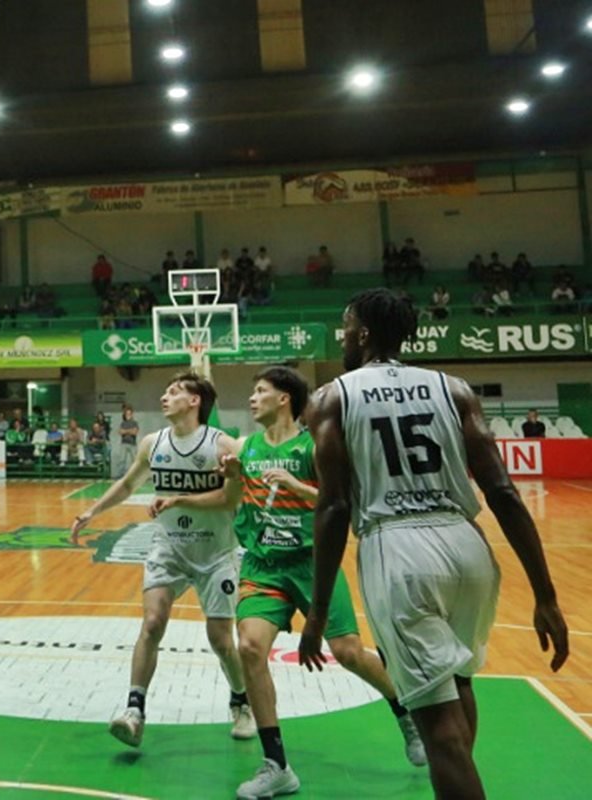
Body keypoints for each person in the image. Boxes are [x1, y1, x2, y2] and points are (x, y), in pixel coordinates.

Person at [299, 289, 568, 799]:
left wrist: (316, 612)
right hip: (468, 547)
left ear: (363, 334)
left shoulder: (332, 397)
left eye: (345, 326)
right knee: (459, 683)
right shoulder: (455, 389)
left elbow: (333, 507)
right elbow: (503, 492)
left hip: (398, 552)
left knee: (438, 730)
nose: (342, 335)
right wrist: (545, 593)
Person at [223, 367, 425, 799]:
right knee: (250, 647)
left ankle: (405, 712)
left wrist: (297, 484)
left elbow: (346, 505)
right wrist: (235, 476)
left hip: (315, 563)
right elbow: (231, 503)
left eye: (261, 391)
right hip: (264, 564)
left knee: (348, 652)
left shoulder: (314, 447)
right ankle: (276, 764)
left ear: (284, 399)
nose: (252, 398)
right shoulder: (247, 446)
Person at [70, 372, 254, 748]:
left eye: (174, 392)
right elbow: (127, 484)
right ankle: (134, 710)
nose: (165, 396)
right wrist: (93, 511)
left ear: (195, 401)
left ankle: (241, 701)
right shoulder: (154, 443)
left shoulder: (222, 445)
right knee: (152, 623)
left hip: (216, 553)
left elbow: (232, 499)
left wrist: (179, 500)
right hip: (169, 548)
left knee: (221, 640)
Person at [111, 405, 139, 479]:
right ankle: (120, 475)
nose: (128, 415)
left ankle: (136, 475)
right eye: (127, 414)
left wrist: (126, 431)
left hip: (132, 444)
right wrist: (130, 431)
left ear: (132, 414)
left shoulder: (135, 423)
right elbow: (120, 432)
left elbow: (135, 432)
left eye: (129, 414)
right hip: (124, 443)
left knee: (135, 460)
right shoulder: (123, 423)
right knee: (122, 460)